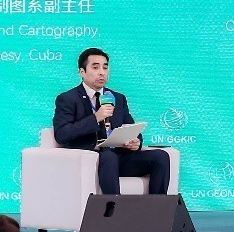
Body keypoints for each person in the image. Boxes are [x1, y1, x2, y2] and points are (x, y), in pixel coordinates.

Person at [52, 48, 171, 196]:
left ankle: (157, 207)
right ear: (82, 72)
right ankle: (114, 206)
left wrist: (136, 142)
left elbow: (130, 127)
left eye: (105, 67)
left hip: (121, 156)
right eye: (95, 67)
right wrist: (95, 118)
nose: (102, 72)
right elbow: (62, 134)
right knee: (109, 157)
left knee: (161, 156)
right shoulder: (68, 99)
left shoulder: (118, 98)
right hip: (93, 159)